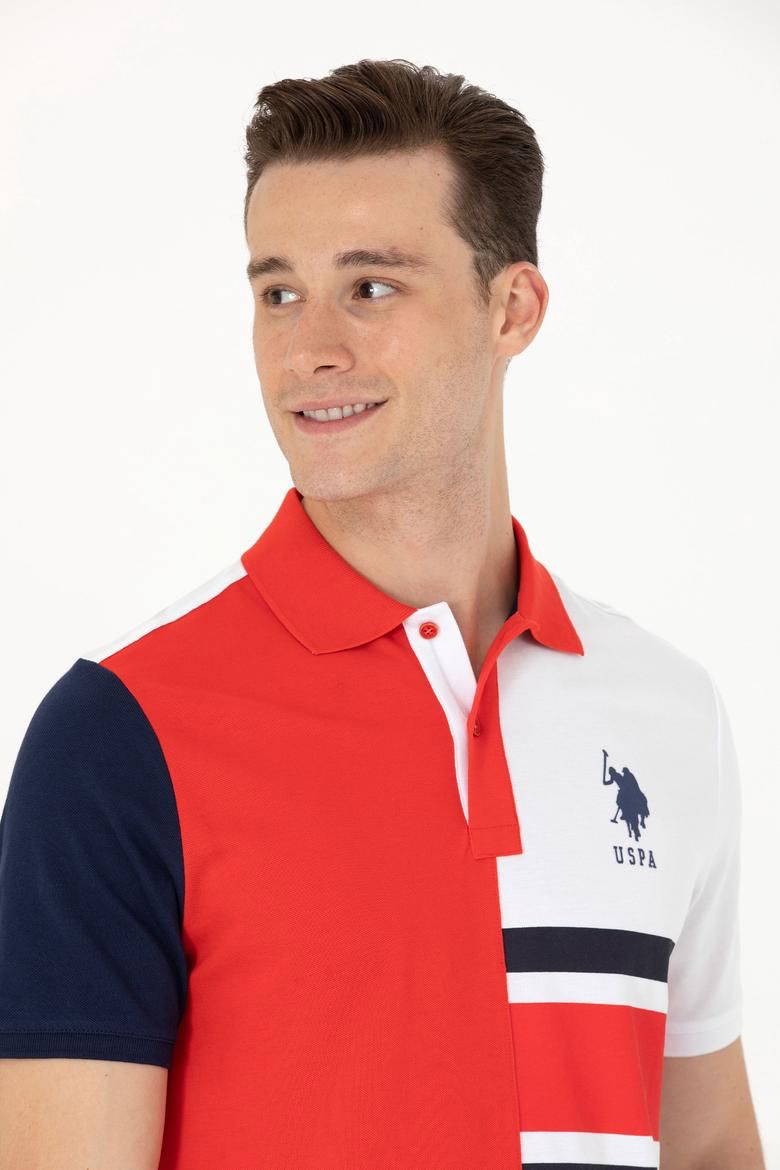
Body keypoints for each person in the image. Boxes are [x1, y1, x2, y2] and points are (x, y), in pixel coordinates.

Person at [0, 58, 766, 1170]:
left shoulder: (666, 708)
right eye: (278, 293)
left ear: (513, 308)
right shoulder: (123, 729)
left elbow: (706, 1146)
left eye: (370, 287)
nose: (309, 348)